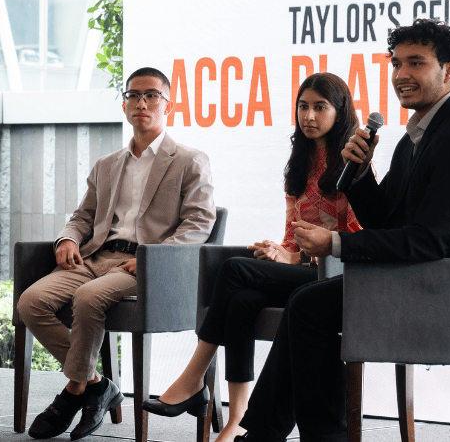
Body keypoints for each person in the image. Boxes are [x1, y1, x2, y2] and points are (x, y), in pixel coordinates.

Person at [234, 18, 450, 442]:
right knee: (304, 300)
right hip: (421, 275)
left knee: (308, 305)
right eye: (396, 63)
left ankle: (308, 435)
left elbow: (427, 240)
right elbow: (388, 221)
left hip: (445, 288)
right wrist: (358, 175)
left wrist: (334, 242)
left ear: (449, 70)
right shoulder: (416, 137)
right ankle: (267, 433)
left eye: (415, 63)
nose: (401, 75)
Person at [142, 72, 361, 442]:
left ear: (340, 113)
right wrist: (278, 251)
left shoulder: (353, 165)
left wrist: (293, 260)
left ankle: (194, 376)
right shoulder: (300, 163)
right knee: (242, 299)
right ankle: (237, 419)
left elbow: (355, 239)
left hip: (334, 277)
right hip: (304, 271)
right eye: (303, 106)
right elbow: (294, 234)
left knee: (234, 269)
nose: (308, 116)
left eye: (319, 107)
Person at [16, 67, 217, 440]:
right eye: (134, 95)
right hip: (95, 257)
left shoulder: (190, 160)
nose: (141, 102)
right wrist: (68, 240)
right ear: (125, 104)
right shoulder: (106, 164)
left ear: (168, 105)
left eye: (151, 96)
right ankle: (95, 382)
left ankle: (75, 391)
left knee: (88, 298)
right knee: (31, 302)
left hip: (143, 265)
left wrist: (152, 258)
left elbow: (198, 224)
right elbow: (83, 216)